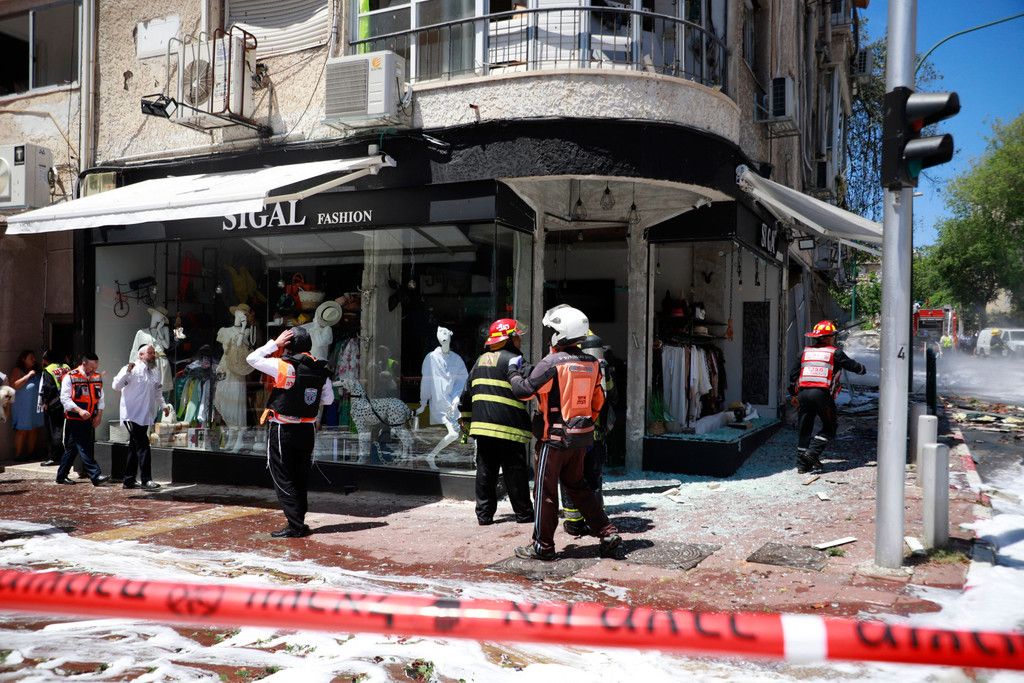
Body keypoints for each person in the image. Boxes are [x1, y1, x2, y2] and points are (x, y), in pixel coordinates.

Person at [508, 305, 621, 561]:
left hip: (554, 441)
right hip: (581, 438)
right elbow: (598, 401)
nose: (551, 335)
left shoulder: (552, 362)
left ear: (561, 333)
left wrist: (513, 372)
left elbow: (524, 391)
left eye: (553, 331)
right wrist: (581, 424)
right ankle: (607, 532)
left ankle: (543, 546)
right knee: (578, 486)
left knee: (544, 492)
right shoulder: (592, 363)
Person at [247, 326, 333, 538]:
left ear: (288, 346)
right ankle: (298, 521)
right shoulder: (321, 369)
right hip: (307, 430)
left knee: (283, 476)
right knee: (300, 476)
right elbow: (328, 399)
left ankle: (295, 526)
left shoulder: (284, 366)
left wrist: (274, 344)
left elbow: (252, 359)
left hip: (283, 429)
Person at [459, 318, 534, 526]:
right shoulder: (515, 360)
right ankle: (524, 515)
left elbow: (466, 394)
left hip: (483, 429)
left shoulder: (479, 361)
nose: (520, 340)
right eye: (517, 336)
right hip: (509, 428)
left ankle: (484, 516)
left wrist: (466, 419)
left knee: (485, 472)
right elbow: (534, 382)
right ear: (508, 339)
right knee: (515, 472)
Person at [788, 320, 867, 474]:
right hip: (821, 395)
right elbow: (852, 366)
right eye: (833, 336)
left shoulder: (804, 352)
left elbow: (793, 376)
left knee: (805, 429)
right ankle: (812, 453)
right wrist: (862, 369)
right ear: (828, 337)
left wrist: (794, 395)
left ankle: (802, 466)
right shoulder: (834, 352)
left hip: (803, 394)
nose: (834, 338)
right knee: (830, 427)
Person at [561, 331, 616, 537]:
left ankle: (574, 523)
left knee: (571, 479)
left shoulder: (569, 367)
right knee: (594, 480)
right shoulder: (601, 369)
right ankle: (595, 521)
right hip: (595, 436)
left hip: (574, 436)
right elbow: (612, 398)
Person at [112, 344, 168, 490]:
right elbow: (116, 386)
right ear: (141, 355)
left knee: (134, 446)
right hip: (132, 415)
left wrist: (164, 406)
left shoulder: (154, 372)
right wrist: (127, 372)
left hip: (145, 415)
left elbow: (158, 392)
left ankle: (128, 480)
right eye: (150, 353)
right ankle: (146, 479)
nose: (153, 355)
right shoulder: (131, 369)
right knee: (143, 445)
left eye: (153, 353)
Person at [56, 353, 111, 486]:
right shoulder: (70, 376)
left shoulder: (97, 377)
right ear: (84, 363)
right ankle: (95, 475)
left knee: (72, 448)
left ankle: (61, 476)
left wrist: (99, 415)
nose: (93, 370)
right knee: (84, 446)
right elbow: (64, 399)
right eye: (91, 367)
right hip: (75, 418)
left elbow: (101, 398)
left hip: (89, 417)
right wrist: (79, 411)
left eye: (96, 367)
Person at [37, 349, 71, 467]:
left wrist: (45, 402)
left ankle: (54, 457)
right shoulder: (66, 367)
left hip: (54, 404)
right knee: (64, 430)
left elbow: (48, 387)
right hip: (67, 402)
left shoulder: (49, 369)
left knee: (54, 431)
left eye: (44, 358)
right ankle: (65, 455)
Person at [9, 350, 44, 460]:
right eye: (31, 358)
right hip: (23, 406)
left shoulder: (37, 371)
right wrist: (28, 375)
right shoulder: (17, 370)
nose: (34, 359)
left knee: (34, 429)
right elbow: (14, 385)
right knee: (22, 430)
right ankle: (18, 455)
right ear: (23, 359)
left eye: (34, 357)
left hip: (35, 406)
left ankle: (30, 453)